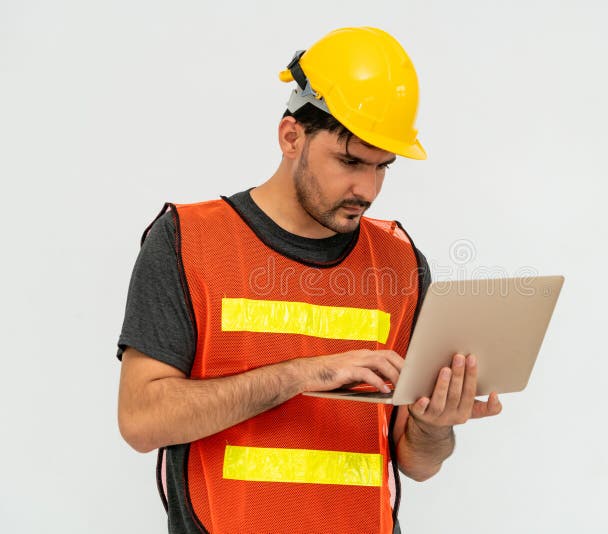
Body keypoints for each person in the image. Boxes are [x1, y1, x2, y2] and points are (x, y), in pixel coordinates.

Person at [117, 26, 502, 534]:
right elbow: (142, 420)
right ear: (291, 136)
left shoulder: (401, 264)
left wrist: (434, 425)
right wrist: (304, 373)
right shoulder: (188, 241)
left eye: (382, 166)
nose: (366, 188)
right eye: (349, 161)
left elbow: (418, 461)